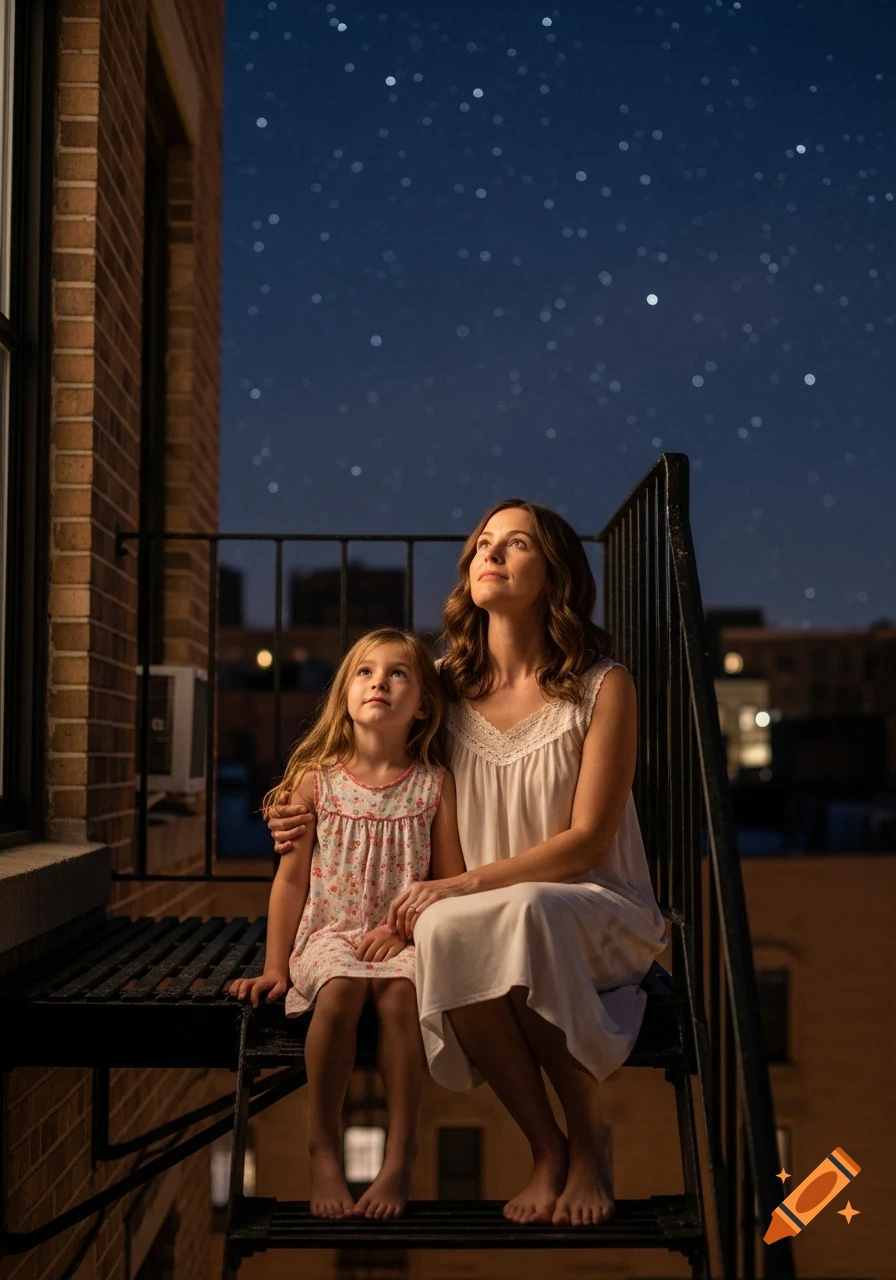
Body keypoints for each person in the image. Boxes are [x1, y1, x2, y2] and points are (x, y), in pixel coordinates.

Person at [267, 500, 667, 1229]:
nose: (493, 553)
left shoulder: (603, 687)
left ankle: (589, 1143)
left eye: (517, 544)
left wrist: (457, 884)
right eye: (484, 542)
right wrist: (292, 808)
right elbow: (367, 760)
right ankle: (546, 1149)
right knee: (456, 931)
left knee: (511, 912)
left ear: (556, 575)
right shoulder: (442, 687)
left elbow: (585, 842)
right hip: (470, 910)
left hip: (591, 903)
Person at [231, 628, 466, 1221]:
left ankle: (401, 1153)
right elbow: (289, 881)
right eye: (365, 672)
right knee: (337, 991)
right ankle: (323, 1148)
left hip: (403, 936)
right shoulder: (315, 781)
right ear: (344, 693)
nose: (379, 682)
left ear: (423, 705)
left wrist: (408, 929)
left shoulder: (435, 786)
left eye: (397, 674)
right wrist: (275, 967)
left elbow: (449, 882)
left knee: (399, 997)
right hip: (330, 934)